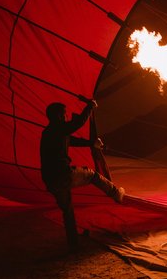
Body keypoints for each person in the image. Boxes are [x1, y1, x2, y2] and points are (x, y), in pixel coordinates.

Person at [40, 100, 125, 251]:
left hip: (51, 181)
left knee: (67, 209)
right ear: (59, 116)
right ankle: (115, 193)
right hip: (63, 176)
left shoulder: (50, 132)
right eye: (64, 113)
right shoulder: (59, 128)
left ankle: (73, 244)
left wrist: (92, 143)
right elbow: (78, 123)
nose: (67, 116)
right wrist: (90, 106)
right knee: (92, 174)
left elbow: (72, 140)